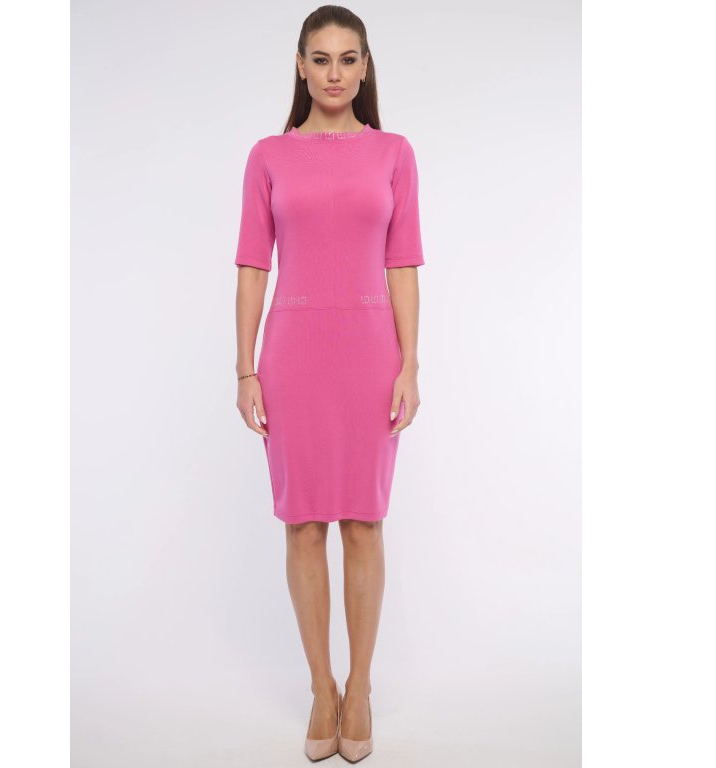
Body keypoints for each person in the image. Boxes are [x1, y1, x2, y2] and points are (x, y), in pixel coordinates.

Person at [234, 6, 424, 763]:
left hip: (371, 353)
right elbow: (253, 266)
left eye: (349, 59)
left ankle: (362, 686)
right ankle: (322, 688)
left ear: (366, 66)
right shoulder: (268, 155)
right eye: (321, 59)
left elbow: (402, 263)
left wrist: (410, 363)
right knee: (304, 523)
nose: (335, 72)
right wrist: (245, 367)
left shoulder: (395, 152)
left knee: (365, 522)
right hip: (294, 354)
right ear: (301, 66)